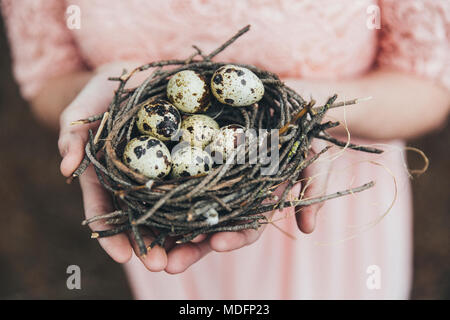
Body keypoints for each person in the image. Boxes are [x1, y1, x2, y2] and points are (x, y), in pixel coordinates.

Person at [2, 0, 449, 299]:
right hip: (168, 207)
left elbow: (427, 83)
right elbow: (48, 76)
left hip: (328, 207)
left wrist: (299, 116)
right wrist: (105, 94)